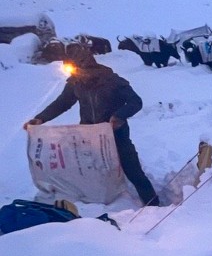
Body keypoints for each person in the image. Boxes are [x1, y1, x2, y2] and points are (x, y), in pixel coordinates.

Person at [24, 43, 160, 206]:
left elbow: (135, 101)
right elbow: (62, 103)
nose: (73, 72)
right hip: (89, 137)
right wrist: (41, 118)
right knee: (89, 172)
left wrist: (119, 116)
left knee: (134, 172)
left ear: (84, 63)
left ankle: (154, 206)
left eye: (74, 67)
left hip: (117, 135)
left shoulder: (111, 80)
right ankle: (96, 208)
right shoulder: (75, 83)